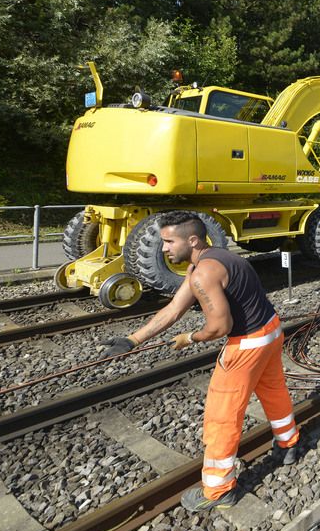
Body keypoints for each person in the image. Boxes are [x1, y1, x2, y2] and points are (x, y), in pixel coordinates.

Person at [99, 211, 300, 512]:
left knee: (222, 416)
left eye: (169, 242)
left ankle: (218, 490)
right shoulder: (211, 259)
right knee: (273, 391)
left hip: (247, 346)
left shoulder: (204, 274)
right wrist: (133, 339)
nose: (164, 248)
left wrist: (190, 338)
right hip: (271, 331)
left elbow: (220, 327)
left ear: (191, 240)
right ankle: (288, 444)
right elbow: (175, 307)